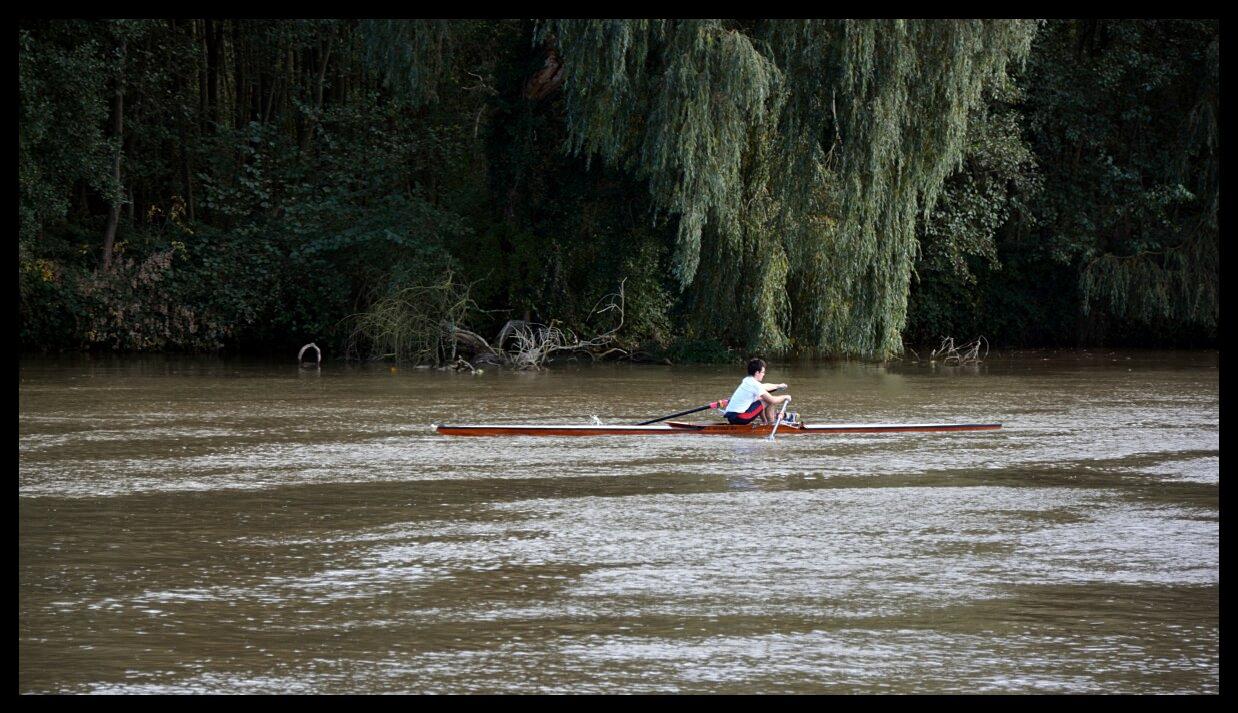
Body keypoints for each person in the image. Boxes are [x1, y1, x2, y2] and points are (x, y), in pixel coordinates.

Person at [723, 358, 796, 425]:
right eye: (763, 372)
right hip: (741, 418)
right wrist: (785, 397)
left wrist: (778, 386)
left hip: (731, 418)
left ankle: (765, 422)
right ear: (757, 373)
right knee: (768, 400)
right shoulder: (755, 385)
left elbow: (765, 386)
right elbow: (772, 400)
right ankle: (771, 424)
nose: (764, 374)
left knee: (761, 399)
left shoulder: (747, 380)